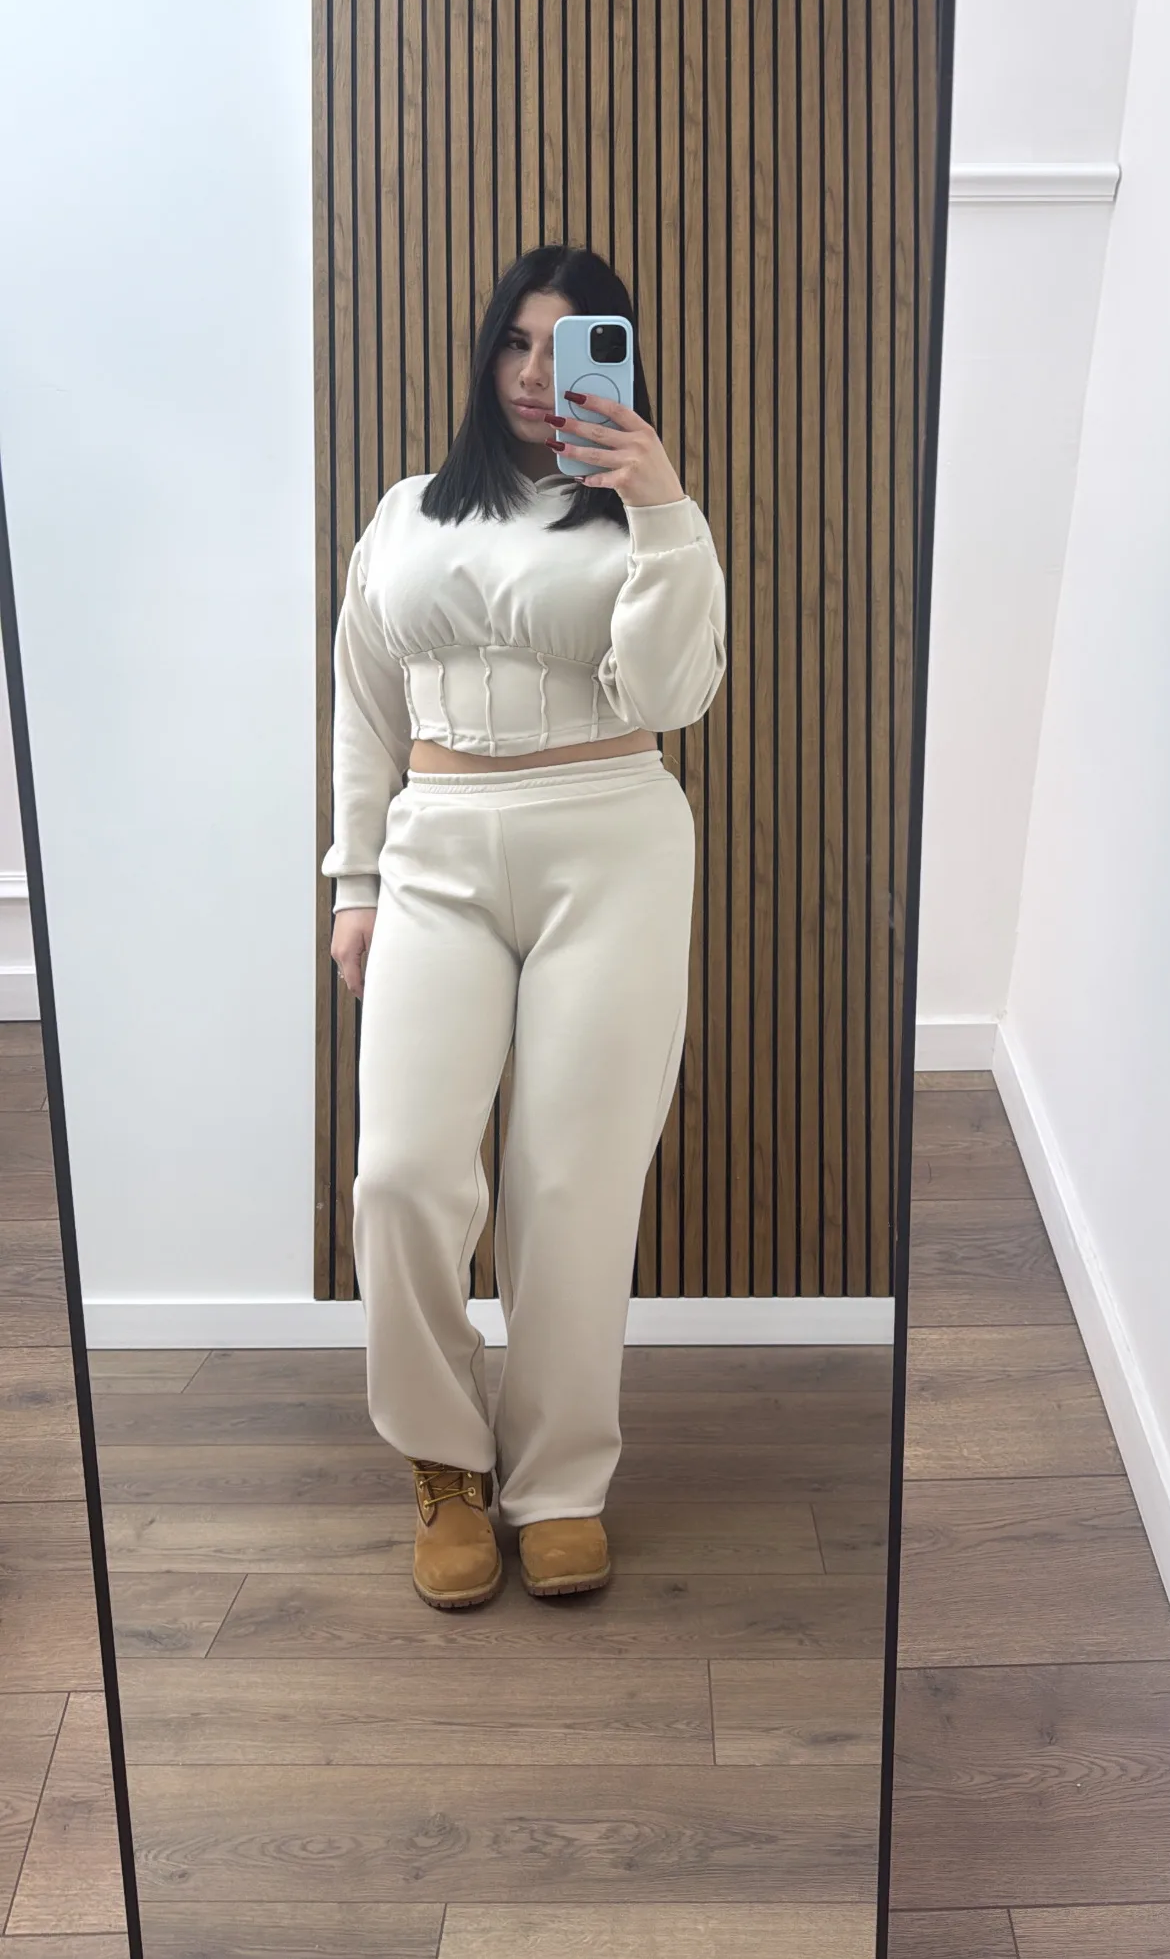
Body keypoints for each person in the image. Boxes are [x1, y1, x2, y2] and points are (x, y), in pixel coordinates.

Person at [322, 244, 727, 1611]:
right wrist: (354, 884)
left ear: (620, 360)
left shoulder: (645, 516)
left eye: (571, 346)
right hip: (437, 848)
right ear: (486, 352)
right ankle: (445, 1462)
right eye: (517, 342)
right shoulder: (408, 515)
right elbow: (365, 702)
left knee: (573, 1182)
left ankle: (559, 1483)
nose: (539, 374)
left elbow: (673, 693)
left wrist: (661, 504)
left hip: (610, 842)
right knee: (402, 1172)